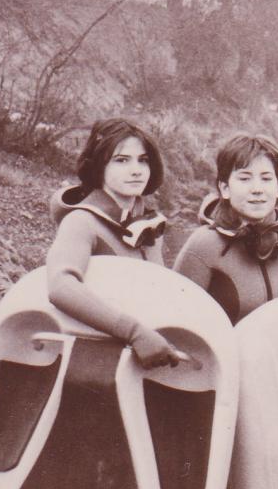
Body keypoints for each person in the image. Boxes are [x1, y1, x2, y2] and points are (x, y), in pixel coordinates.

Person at [47, 117, 179, 368]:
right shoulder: (81, 221)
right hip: (87, 362)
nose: (136, 170)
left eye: (143, 160)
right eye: (121, 160)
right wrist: (135, 332)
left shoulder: (149, 229)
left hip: (141, 362)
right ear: (99, 167)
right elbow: (60, 286)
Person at [173, 134, 278, 323]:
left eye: (266, 179)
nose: (257, 189)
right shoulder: (204, 244)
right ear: (225, 188)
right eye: (245, 178)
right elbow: (176, 319)